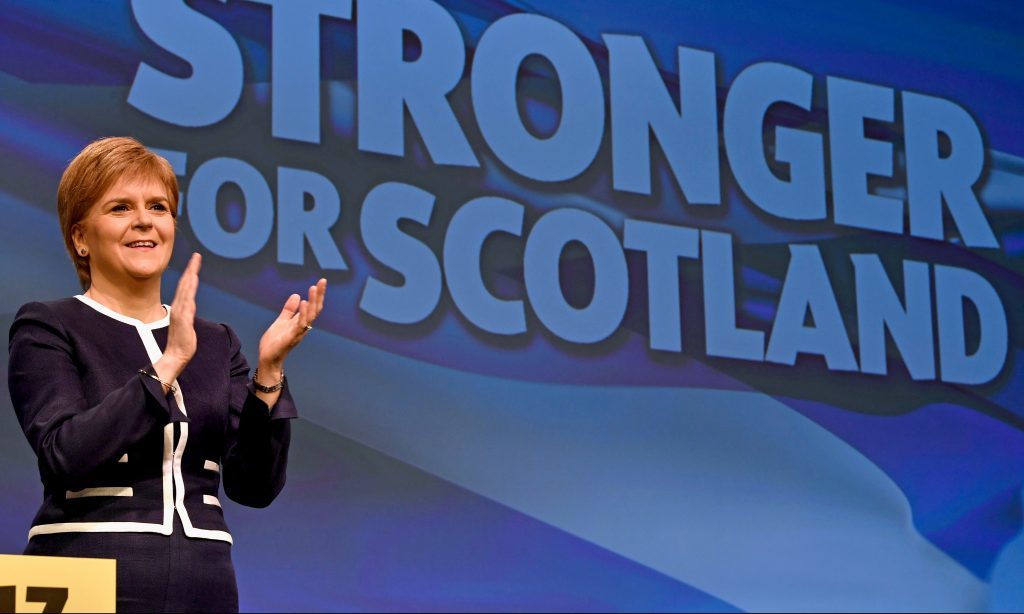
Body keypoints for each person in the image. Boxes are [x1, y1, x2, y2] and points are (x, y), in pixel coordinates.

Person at [7, 136, 325, 612]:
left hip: (203, 583)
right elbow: (64, 454)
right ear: (79, 237)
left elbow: (253, 488)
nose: (144, 220)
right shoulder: (47, 325)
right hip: (71, 578)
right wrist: (166, 367)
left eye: (158, 206)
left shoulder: (217, 342)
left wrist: (269, 373)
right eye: (120, 207)